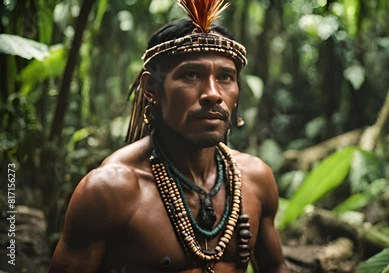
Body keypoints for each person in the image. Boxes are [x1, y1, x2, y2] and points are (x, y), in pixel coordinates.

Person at [48, 1, 289, 272]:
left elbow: (276, 267)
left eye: (225, 77)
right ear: (152, 88)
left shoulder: (255, 179)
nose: (213, 93)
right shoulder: (110, 191)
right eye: (191, 75)